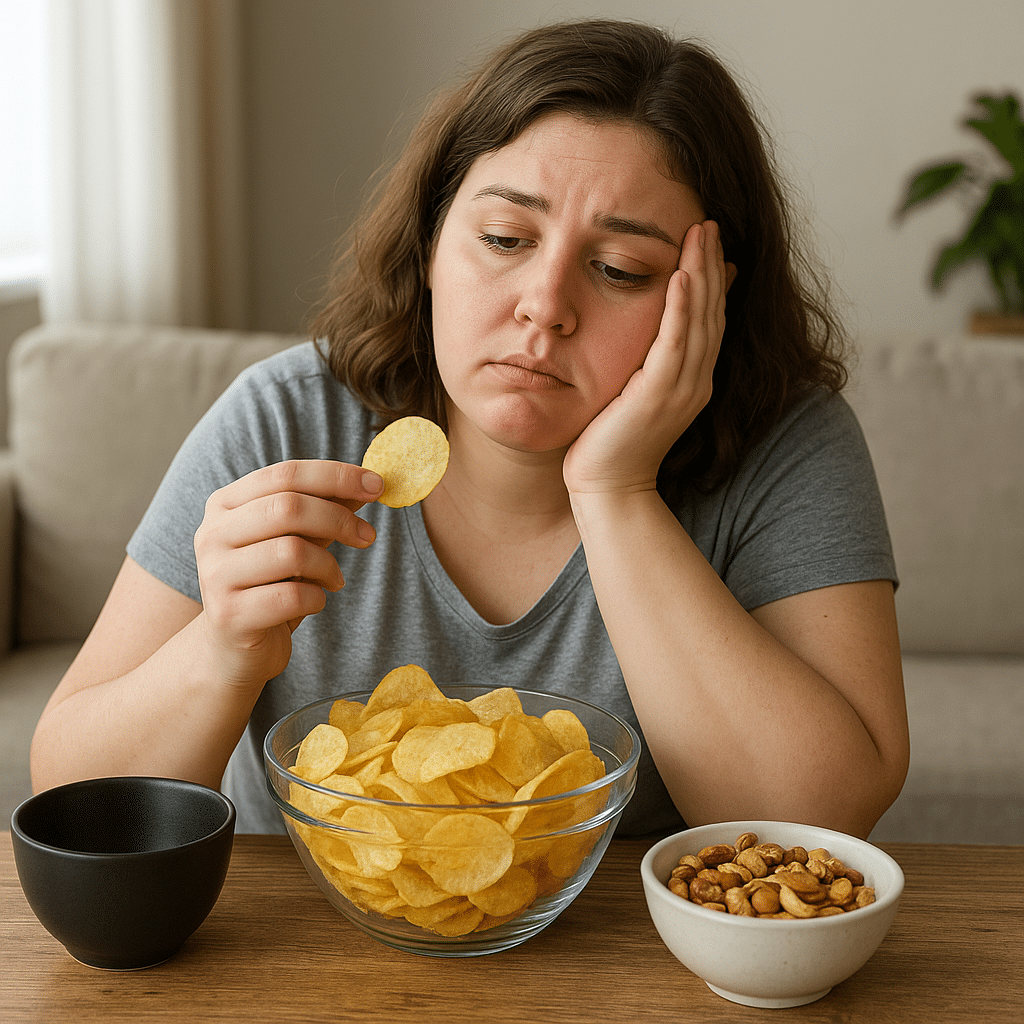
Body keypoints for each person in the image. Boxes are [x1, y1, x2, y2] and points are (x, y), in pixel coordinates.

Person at [31, 19, 909, 838]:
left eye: (619, 268)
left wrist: (616, 493)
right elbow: (72, 793)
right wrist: (221, 652)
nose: (544, 307)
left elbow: (820, 823)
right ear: (429, 241)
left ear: (709, 299)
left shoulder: (785, 442)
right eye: (501, 237)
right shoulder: (284, 418)